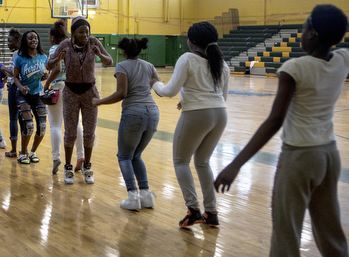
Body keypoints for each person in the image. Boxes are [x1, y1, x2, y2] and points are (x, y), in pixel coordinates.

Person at [214, 4, 349, 257]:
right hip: (330, 155)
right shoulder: (344, 59)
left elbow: (275, 120)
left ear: (313, 35)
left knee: (286, 234)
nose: (302, 32)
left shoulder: (295, 67)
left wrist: (236, 164)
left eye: (304, 28)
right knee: (331, 233)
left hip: (299, 157)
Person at [151, 21, 229, 227]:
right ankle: (211, 213)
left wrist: (154, 84)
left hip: (197, 114)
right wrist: (188, 100)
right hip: (220, 114)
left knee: (180, 161)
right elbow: (221, 97)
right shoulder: (223, 63)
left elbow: (168, 91)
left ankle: (193, 209)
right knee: (203, 162)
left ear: (191, 42)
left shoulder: (187, 58)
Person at [92, 37, 159, 210]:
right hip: (153, 112)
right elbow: (158, 86)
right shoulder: (150, 66)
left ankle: (133, 197)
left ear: (124, 51)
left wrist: (99, 102)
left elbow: (122, 93)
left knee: (124, 156)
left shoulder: (122, 66)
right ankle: (146, 195)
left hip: (133, 112)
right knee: (136, 155)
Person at [46, 16, 113, 184]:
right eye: (81, 32)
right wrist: (58, 58)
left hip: (90, 92)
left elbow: (109, 61)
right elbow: (49, 64)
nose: (85, 35)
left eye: (87, 32)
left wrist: (100, 55)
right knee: (70, 132)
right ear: (74, 33)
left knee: (90, 132)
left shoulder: (93, 42)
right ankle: (68, 167)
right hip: (70, 92)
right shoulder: (65, 45)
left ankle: (87, 166)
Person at [43, 20, 84, 175]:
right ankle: (81, 156)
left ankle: (56, 158)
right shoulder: (73, 47)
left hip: (58, 87)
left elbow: (57, 69)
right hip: (74, 87)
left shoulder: (55, 48)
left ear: (53, 37)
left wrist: (46, 84)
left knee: (55, 125)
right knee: (76, 124)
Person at [13, 30, 48, 164]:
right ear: (25, 41)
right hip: (23, 95)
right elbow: (15, 77)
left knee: (42, 126)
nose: (34, 40)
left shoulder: (43, 57)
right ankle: (23, 153)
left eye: (35, 38)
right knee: (29, 126)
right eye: (30, 38)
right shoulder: (20, 58)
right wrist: (21, 87)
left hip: (38, 94)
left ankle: (33, 152)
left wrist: (44, 77)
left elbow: (43, 76)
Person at [4, 28, 21, 157]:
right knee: (24, 119)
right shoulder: (25, 52)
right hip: (23, 88)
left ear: (17, 40)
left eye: (10, 41)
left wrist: (3, 69)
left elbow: (15, 74)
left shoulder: (16, 53)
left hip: (15, 88)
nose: (8, 44)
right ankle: (25, 151)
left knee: (13, 118)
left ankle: (14, 150)